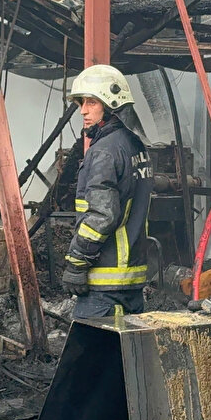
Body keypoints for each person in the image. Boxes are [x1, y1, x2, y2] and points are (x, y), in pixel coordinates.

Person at [60, 65, 155, 318]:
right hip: (132, 281)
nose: (83, 110)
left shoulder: (104, 151)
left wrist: (77, 260)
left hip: (105, 283)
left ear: (111, 105)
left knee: (90, 356)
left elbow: (102, 215)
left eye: (91, 102)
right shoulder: (136, 145)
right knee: (127, 355)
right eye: (82, 102)